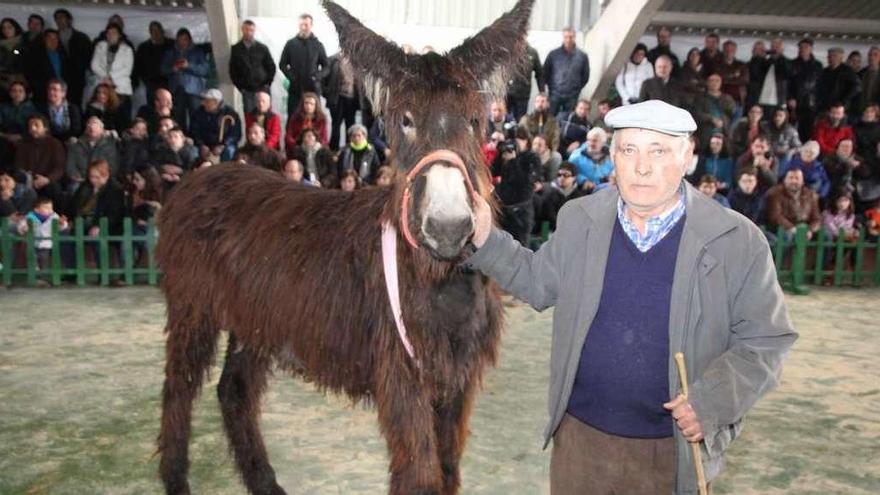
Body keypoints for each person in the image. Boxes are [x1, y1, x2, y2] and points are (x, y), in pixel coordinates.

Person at [464, 99, 796, 494]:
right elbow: (537, 281)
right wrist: (486, 238)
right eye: (628, 150)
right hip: (579, 443)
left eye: (658, 150)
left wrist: (711, 402)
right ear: (613, 155)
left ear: (688, 154)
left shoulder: (735, 241)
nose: (641, 167)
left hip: (669, 452)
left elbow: (766, 340)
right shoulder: (580, 219)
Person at [491, 138, 540, 246]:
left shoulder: (531, 158)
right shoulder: (505, 158)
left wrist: (513, 161)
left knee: (519, 248)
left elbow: (524, 182)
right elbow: (493, 172)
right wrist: (499, 156)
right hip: (502, 210)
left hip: (521, 212)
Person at [279, 13, 329, 117]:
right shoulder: (291, 44)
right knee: (293, 118)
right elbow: (282, 64)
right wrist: (291, 77)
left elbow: (326, 66)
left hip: (313, 89)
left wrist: (316, 77)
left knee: (315, 119)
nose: (303, 27)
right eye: (301, 24)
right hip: (295, 89)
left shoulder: (317, 45)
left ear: (311, 25)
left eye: (306, 24)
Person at [161, 28, 209, 130]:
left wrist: (189, 66)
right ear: (176, 40)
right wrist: (173, 68)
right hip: (177, 89)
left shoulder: (198, 52)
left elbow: (205, 70)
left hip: (194, 91)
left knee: (196, 118)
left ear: (189, 40)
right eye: (180, 40)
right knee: (178, 118)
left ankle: (196, 141)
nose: (182, 42)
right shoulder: (171, 52)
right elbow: (163, 70)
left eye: (185, 39)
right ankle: (180, 139)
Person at [14, 115, 66, 207]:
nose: (33, 128)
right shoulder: (23, 144)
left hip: (48, 179)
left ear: (45, 128)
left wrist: (47, 179)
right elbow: (19, 165)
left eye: (36, 125)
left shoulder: (55, 143)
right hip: (29, 180)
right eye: (30, 126)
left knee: (54, 188)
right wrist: (30, 179)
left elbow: (59, 167)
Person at [90, 23, 133, 129]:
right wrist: (105, 77)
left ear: (119, 35)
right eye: (108, 33)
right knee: (102, 119)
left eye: (114, 33)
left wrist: (111, 77)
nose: (111, 35)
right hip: (102, 86)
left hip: (121, 89)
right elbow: (94, 65)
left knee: (121, 120)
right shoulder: (100, 46)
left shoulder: (127, 49)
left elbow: (127, 69)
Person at [71, 158, 126, 239]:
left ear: (106, 176)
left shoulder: (115, 190)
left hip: (101, 226)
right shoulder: (85, 186)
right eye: (91, 177)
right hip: (80, 222)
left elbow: (114, 214)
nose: (93, 180)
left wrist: (99, 226)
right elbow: (73, 204)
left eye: (97, 177)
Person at [229, 20, 276, 114]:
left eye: (251, 30)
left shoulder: (262, 48)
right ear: (242, 30)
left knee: (266, 117)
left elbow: (271, 67)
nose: (249, 32)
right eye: (247, 29)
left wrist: (267, 84)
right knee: (250, 117)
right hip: (247, 91)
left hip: (263, 88)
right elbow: (233, 70)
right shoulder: (236, 49)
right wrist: (241, 87)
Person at [543, 28, 590, 115]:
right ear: (563, 38)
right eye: (566, 37)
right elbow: (545, 72)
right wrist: (552, 87)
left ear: (574, 37)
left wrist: (576, 88)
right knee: (550, 118)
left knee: (569, 119)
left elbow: (585, 76)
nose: (568, 39)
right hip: (555, 94)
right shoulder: (553, 54)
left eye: (571, 37)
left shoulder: (582, 56)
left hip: (572, 95)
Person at [14, 196, 69, 270]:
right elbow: (21, 226)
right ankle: (34, 272)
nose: (49, 210)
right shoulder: (30, 217)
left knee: (43, 259)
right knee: (32, 258)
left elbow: (60, 228)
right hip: (32, 243)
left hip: (46, 243)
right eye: (46, 208)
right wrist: (23, 229)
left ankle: (42, 273)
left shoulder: (54, 217)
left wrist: (62, 223)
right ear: (37, 209)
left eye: (51, 208)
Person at [766, 167, 821, 240]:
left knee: (825, 235)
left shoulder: (810, 194)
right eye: (791, 178)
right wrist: (792, 228)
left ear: (802, 181)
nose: (793, 181)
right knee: (788, 236)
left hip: (805, 227)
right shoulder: (775, 193)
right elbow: (776, 216)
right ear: (785, 180)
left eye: (797, 178)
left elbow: (817, 218)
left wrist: (810, 230)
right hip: (785, 228)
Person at [67, 116, 121, 191]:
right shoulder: (76, 144)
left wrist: (100, 178)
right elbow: (70, 165)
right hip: (81, 180)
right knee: (74, 188)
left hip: (102, 179)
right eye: (89, 125)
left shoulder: (110, 145)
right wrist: (76, 176)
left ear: (102, 129)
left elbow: (113, 166)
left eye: (95, 125)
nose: (92, 127)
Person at [52, 9, 91, 109]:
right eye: (57, 18)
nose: (60, 20)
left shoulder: (81, 37)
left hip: (78, 76)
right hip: (59, 76)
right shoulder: (52, 37)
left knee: (76, 103)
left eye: (62, 18)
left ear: (69, 20)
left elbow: (88, 57)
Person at [190, 89, 242, 163]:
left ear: (216, 102)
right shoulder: (198, 113)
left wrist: (223, 145)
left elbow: (235, 134)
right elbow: (194, 131)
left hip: (223, 145)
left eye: (207, 101)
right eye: (204, 100)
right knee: (192, 151)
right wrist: (201, 145)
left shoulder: (230, 113)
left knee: (230, 150)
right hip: (204, 144)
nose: (204, 103)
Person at [788, 38, 824, 142]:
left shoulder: (818, 66)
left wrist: (817, 102)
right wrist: (790, 97)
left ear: (811, 49)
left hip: (810, 103)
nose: (803, 49)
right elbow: (788, 83)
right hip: (794, 103)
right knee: (792, 129)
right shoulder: (792, 64)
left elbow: (820, 86)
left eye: (806, 47)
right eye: (801, 47)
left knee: (807, 131)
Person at [23, 29, 68, 109]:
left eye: (55, 38)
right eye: (49, 38)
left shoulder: (64, 55)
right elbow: (30, 74)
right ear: (44, 39)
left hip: (62, 92)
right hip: (43, 93)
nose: (52, 41)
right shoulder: (35, 55)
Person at [323, 53, 359, 151]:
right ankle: (334, 151)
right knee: (336, 125)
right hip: (337, 98)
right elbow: (323, 77)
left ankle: (350, 150)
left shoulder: (358, 60)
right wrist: (327, 93)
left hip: (352, 99)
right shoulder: (333, 59)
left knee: (351, 126)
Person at [134, 21, 173, 110]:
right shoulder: (143, 47)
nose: (156, 33)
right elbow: (138, 67)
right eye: (153, 31)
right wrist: (146, 81)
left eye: (158, 30)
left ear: (162, 31)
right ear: (150, 33)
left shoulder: (171, 45)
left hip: (169, 82)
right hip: (152, 83)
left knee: (170, 108)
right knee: (153, 108)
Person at [749, 37, 790, 115]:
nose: (774, 49)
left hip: (778, 99)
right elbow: (754, 73)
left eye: (777, 47)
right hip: (762, 99)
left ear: (782, 49)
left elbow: (786, 73)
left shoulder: (786, 62)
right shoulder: (765, 62)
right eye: (773, 47)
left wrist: (780, 56)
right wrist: (760, 56)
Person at [693, 73, 735, 146]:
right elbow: (696, 113)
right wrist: (711, 119)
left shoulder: (728, 99)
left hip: (723, 131)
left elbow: (732, 114)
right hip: (705, 131)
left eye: (717, 81)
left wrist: (723, 121)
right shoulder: (700, 98)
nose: (714, 83)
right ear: (707, 82)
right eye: (712, 80)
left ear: (721, 83)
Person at [817, 47, 861, 115]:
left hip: (840, 109)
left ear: (841, 58)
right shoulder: (824, 72)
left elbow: (857, 87)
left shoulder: (847, 71)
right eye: (829, 56)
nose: (831, 58)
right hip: (825, 108)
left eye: (834, 56)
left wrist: (843, 101)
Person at [507, 44, 545, 120]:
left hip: (523, 95)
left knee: (521, 121)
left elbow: (540, 74)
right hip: (507, 94)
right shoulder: (506, 50)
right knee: (506, 120)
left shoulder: (532, 52)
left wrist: (542, 92)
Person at [717, 40, 748, 111]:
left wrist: (727, 78)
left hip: (738, 99)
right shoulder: (717, 64)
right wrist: (734, 76)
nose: (729, 51)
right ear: (723, 50)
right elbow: (719, 79)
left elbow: (745, 80)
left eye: (731, 49)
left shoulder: (742, 65)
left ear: (735, 50)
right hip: (721, 98)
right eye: (727, 49)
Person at [0, 18, 26, 102]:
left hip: (22, 85)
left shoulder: (23, 44)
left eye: (9, 27)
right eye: (4, 28)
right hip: (3, 85)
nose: (6, 30)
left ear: (15, 28)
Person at [858, 47, 880, 114]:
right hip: (861, 109)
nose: (872, 57)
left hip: (876, 109)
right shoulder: (862, 72)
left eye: (875, 55)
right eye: (870, 55)